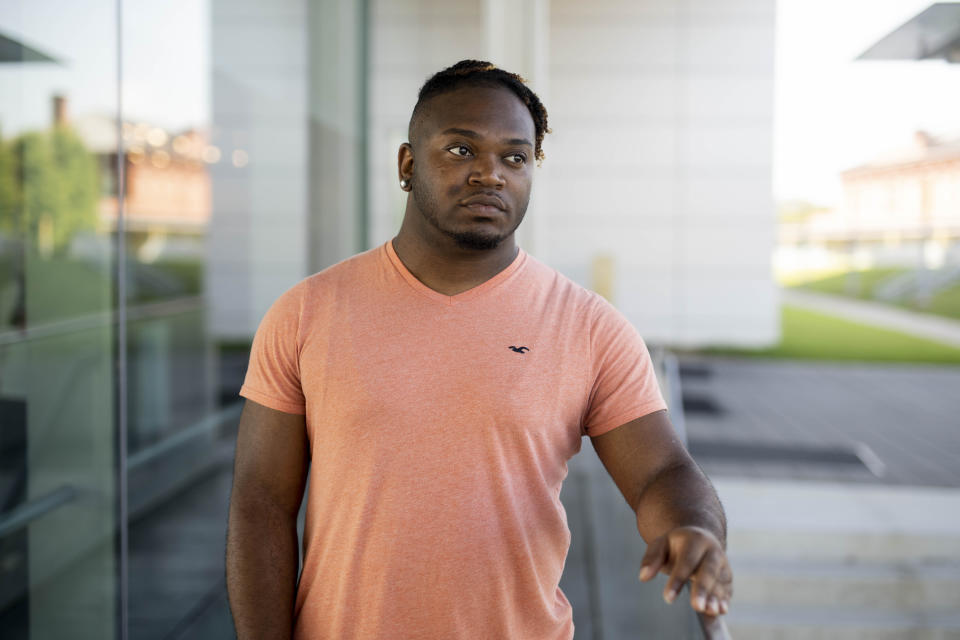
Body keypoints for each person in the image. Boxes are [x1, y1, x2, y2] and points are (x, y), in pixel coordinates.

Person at [226, 59, 732, 640]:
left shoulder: (591, 326)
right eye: (461, 150)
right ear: (408, 165)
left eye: (514, 157)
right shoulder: (307, 312)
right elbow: (261, 499)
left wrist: (696, 527)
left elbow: (662, 472)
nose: (490, 174)